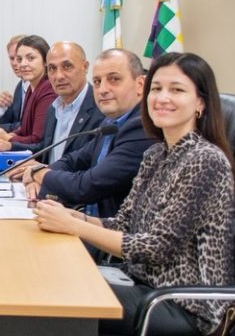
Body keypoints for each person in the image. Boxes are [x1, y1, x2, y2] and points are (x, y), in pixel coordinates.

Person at [34, 52, 235, 336]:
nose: (162, 98)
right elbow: (123, 223)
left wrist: (73, 226)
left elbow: (156, 248)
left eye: (176, 90)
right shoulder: (156, 154)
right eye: (157, 89)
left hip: (183, 303)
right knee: (50, 274)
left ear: (200, 103)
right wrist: (72, 216)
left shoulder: (205, 160)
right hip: (142, 282)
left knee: (57, 293)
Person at [20, 49, 155, 218]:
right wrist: (38, 172)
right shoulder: (111, 122)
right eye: (97, 81)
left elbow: (87, 186)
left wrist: (40, 174)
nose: (102, 89)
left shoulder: (142, 128)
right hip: (87, 220)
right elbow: (74, 159)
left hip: (109, 230)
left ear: (140, 85)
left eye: (114, 79)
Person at [0, 35, 56, 152]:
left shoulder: (48, 89)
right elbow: (24, 129)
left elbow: (37, 140)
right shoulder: (31, 88)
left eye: (30, 58)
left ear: (45, 61)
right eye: (19, 59)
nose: (22, 64)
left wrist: (7, 138)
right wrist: (3, 134)